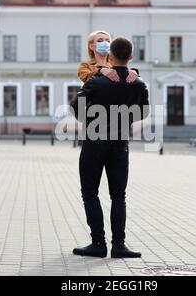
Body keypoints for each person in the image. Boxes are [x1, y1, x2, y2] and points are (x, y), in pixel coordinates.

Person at [70, 37, 149, 258]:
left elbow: (76, 107)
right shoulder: (138, 83)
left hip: (94, 143)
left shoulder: (96, 82)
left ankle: (98, 244)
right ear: (131, 57)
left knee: (90, 193)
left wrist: (92, 120)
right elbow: (144, 112)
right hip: (120, 145)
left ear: (110, 57)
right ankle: (119, 245)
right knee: (118, 196)